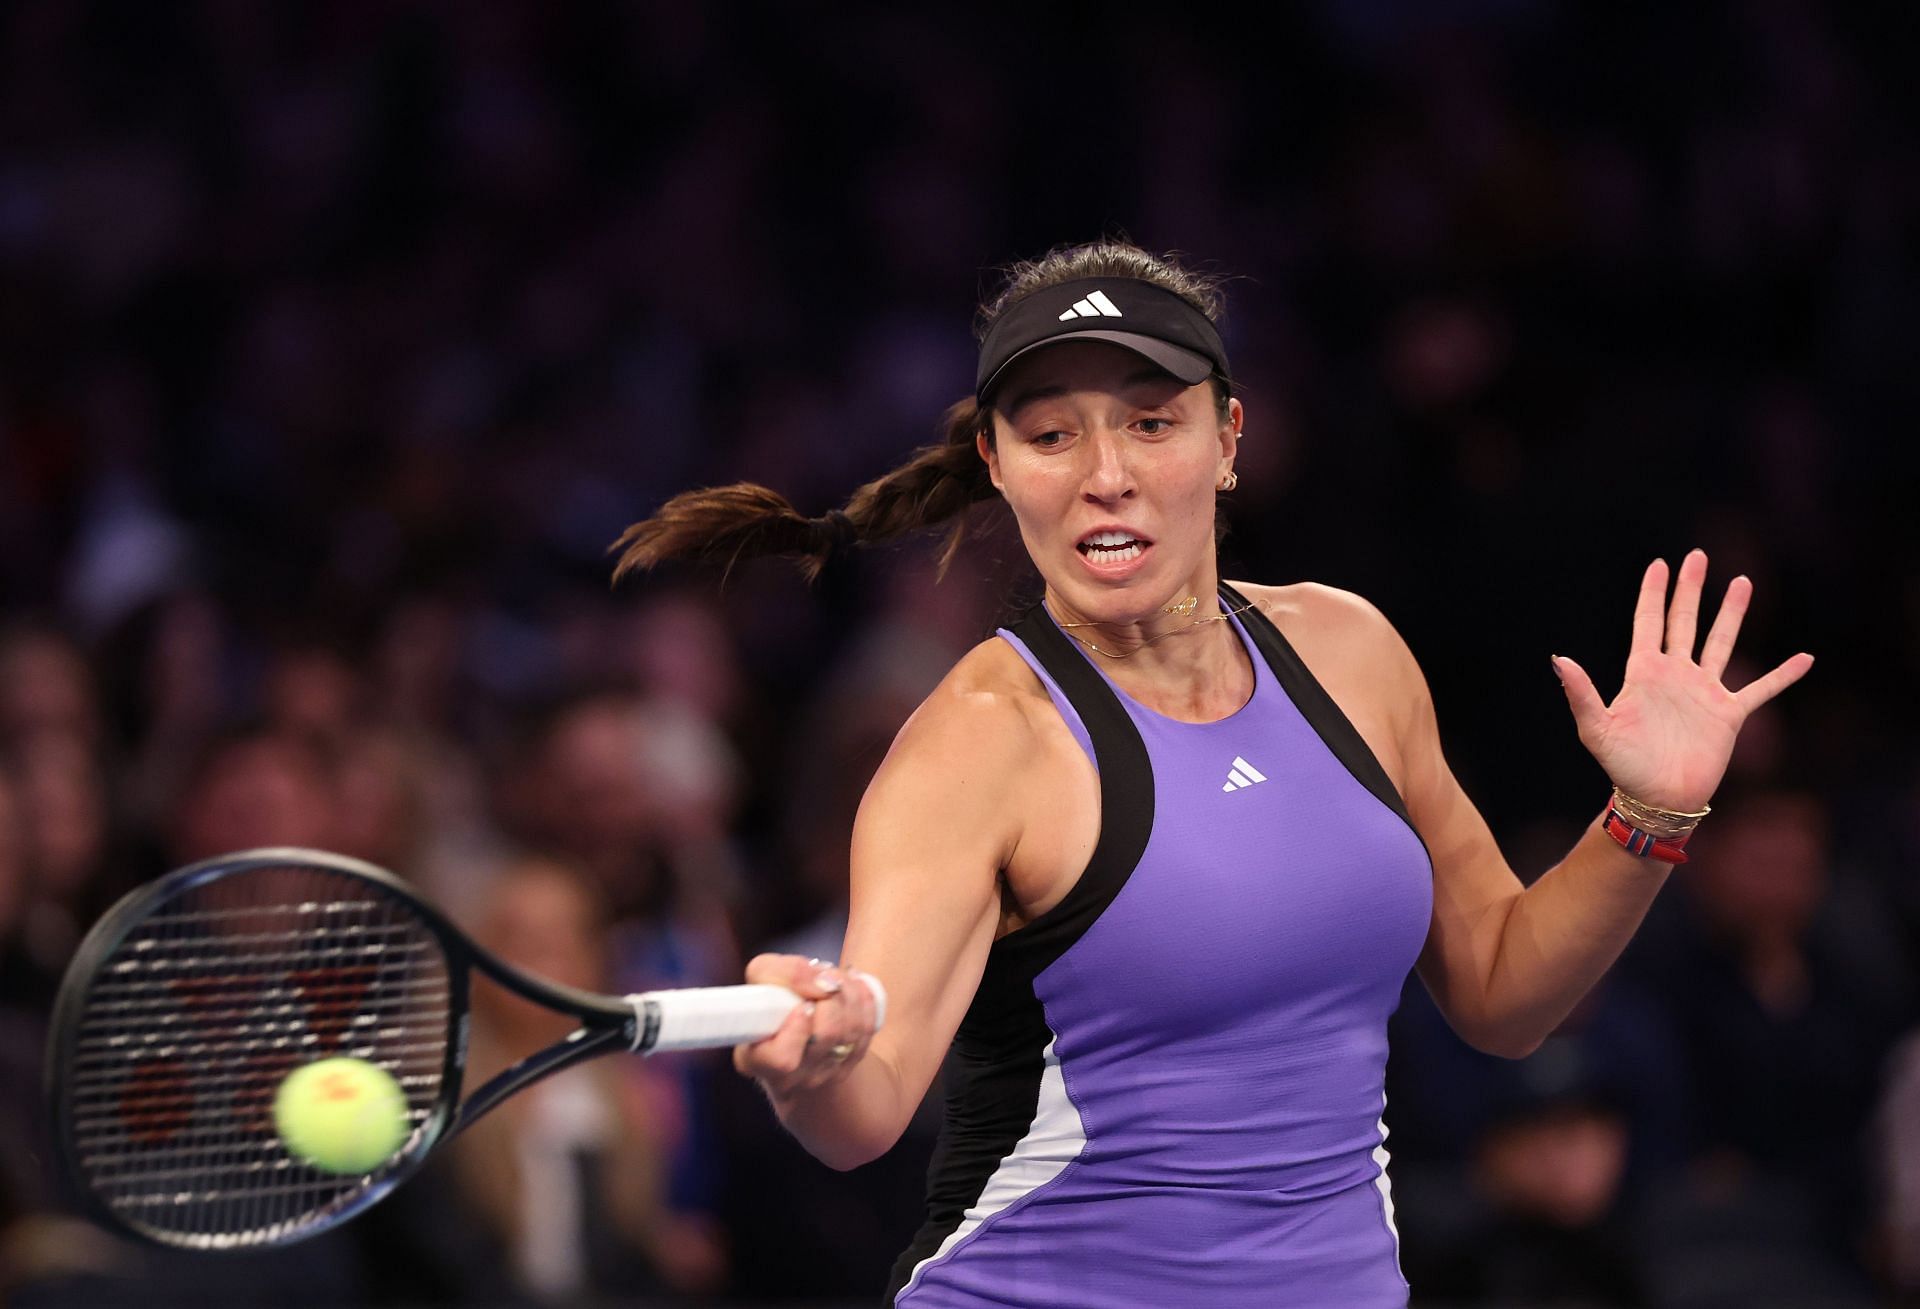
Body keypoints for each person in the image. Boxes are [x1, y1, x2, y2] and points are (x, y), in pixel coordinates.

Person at [608, 240, 1815, 1306]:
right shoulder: (979, 737)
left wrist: (1650, 811)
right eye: (1050, 433)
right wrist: (812, 1068)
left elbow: (1503, 988)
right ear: (997, 466)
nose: (1106, 471)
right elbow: (867, 1104)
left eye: (1150, 418)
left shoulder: (1351, 651)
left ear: (1227, 439)